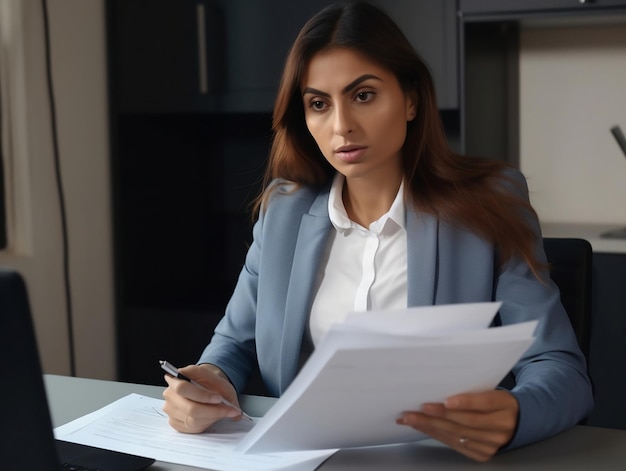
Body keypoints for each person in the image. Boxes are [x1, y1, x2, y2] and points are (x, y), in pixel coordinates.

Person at [162, 1, 593, 462]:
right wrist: (208, 381)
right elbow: (233, 343)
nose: (342, 125)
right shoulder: (284, 210)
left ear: (410, 100)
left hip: (436, 459)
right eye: (319, 104)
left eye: (363, 95)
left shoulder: (489, 204)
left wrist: (515, 414)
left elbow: (560, 370)